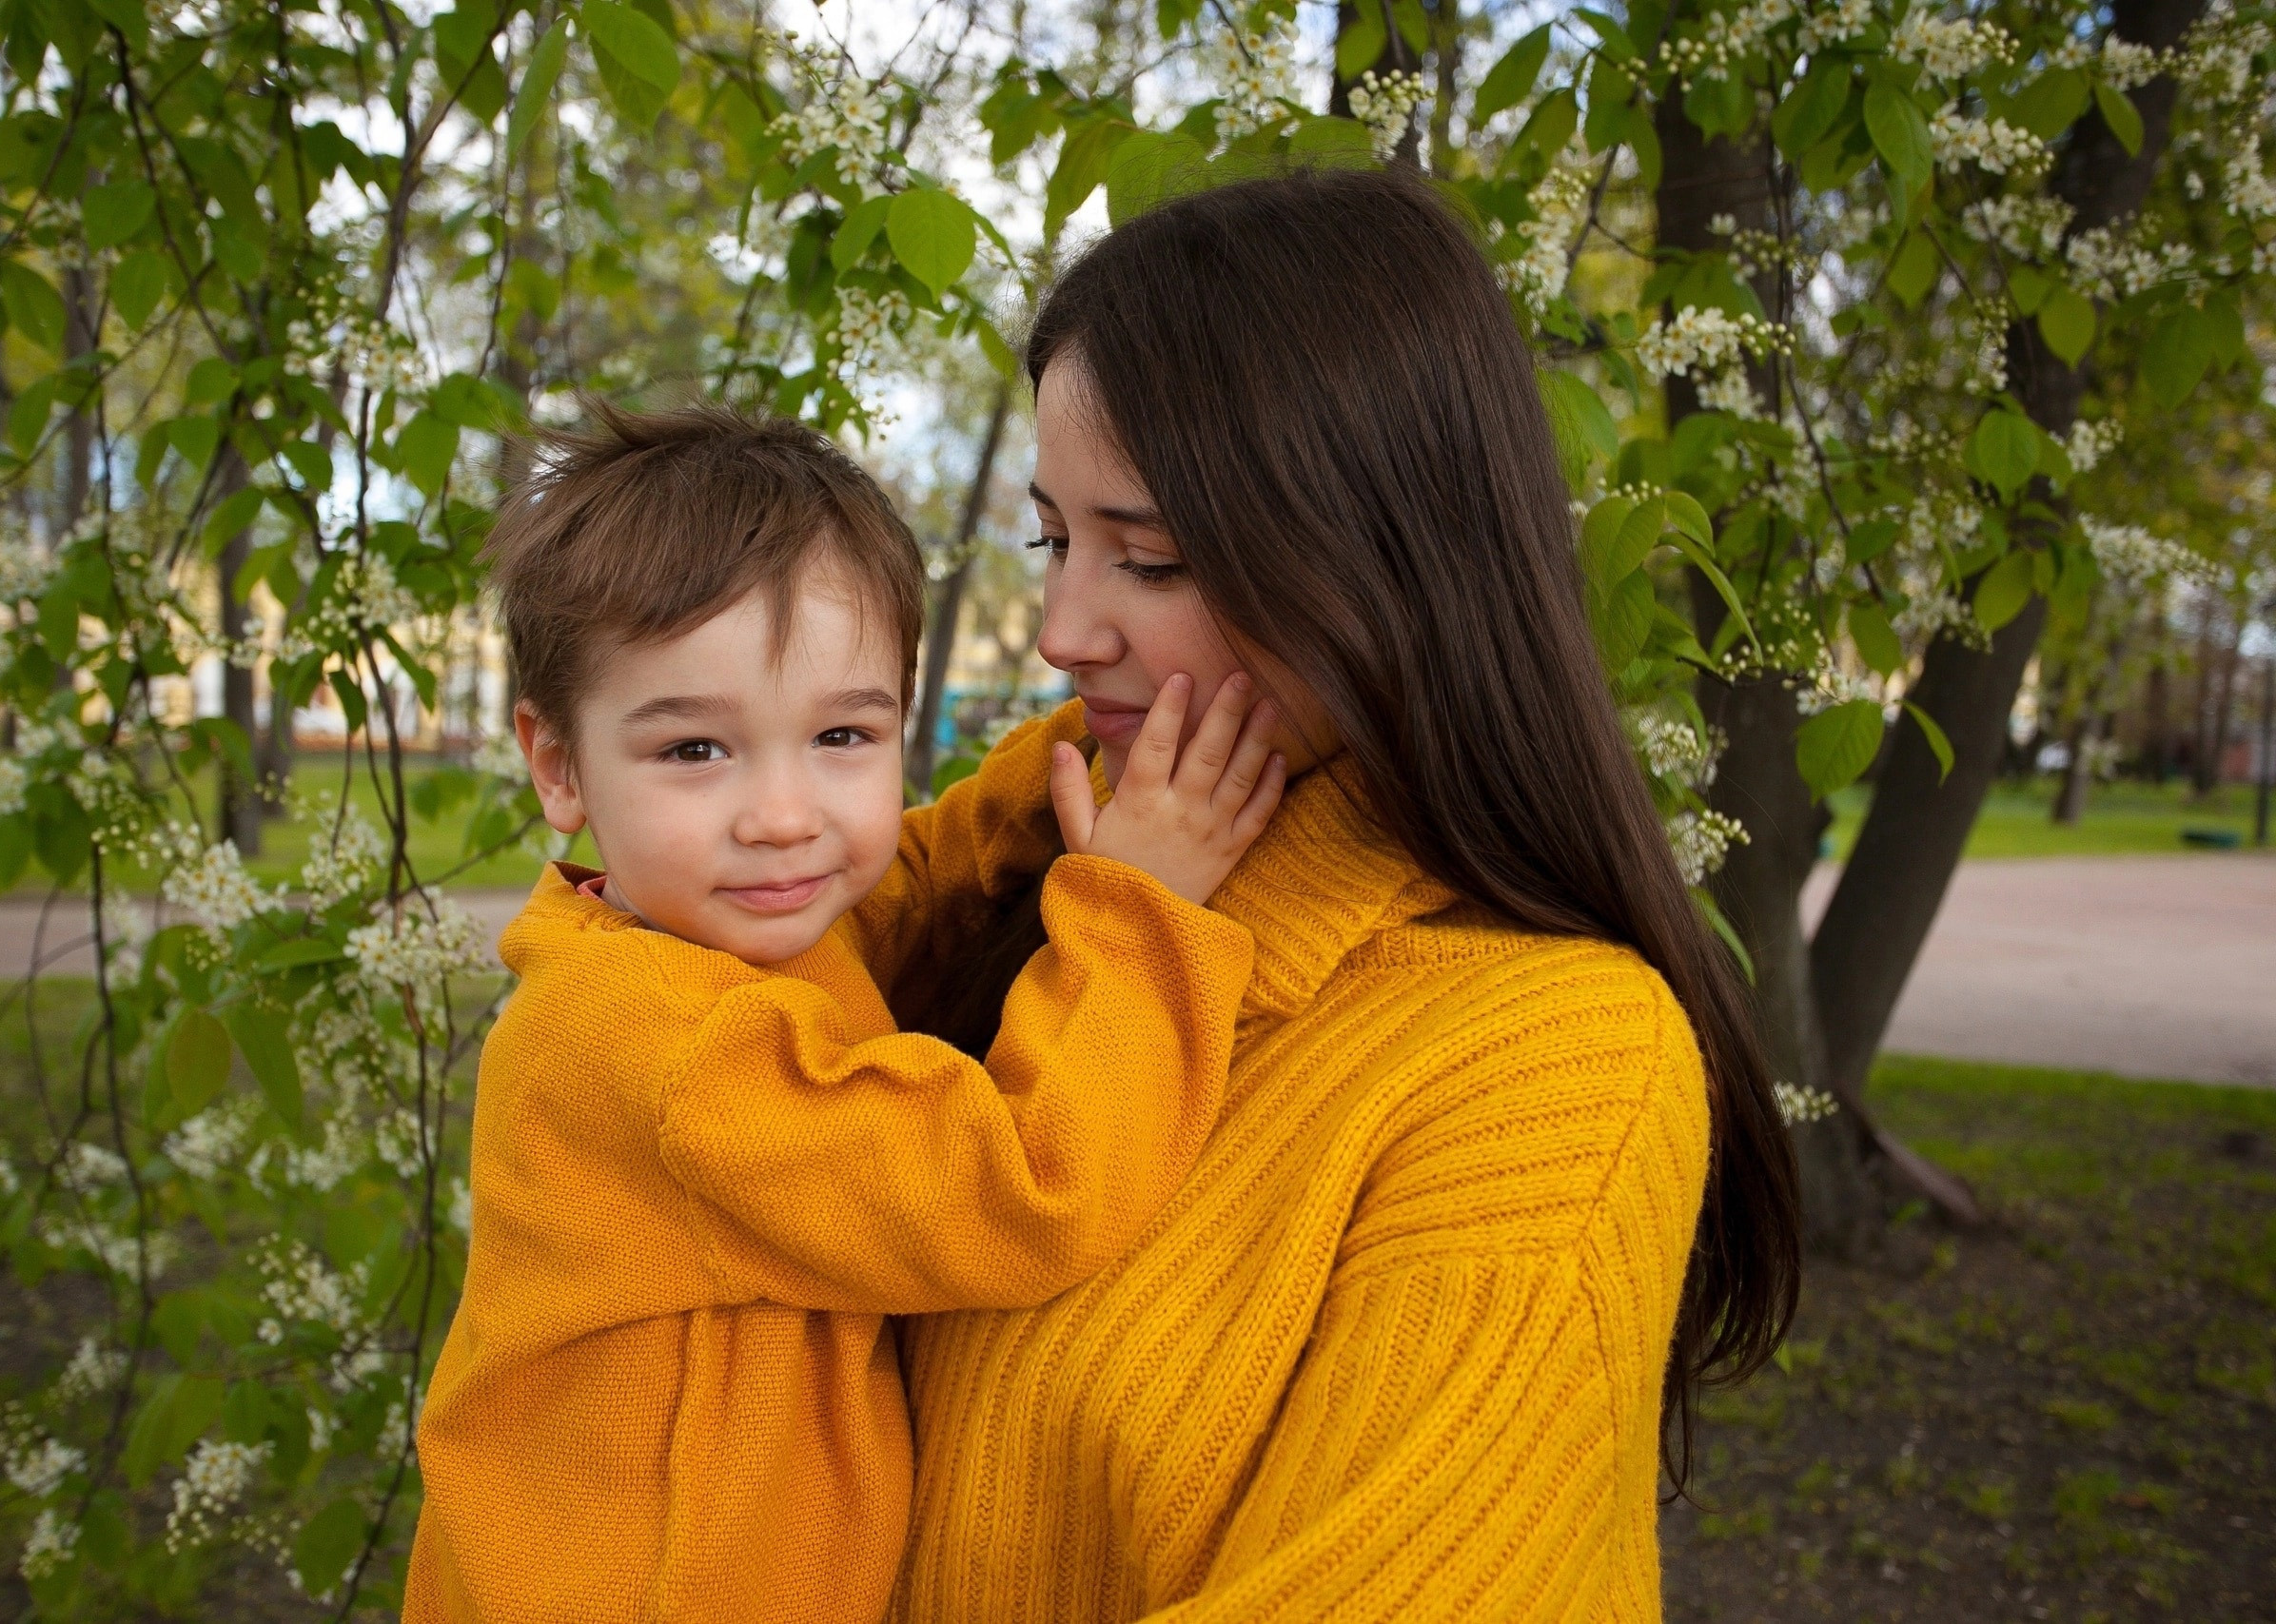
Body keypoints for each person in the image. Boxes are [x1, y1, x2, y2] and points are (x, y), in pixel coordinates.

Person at [872, 167, 1805, 1618]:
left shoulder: (1560, 1066)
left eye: (1154, 556)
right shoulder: (1064, 873)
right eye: (1056, 539)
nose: (1062, 630)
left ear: (1385, 560)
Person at [402, 405, 1287, 1624]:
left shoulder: (701, 936)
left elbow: (908, 890)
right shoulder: (660, 1048)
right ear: (558, 767)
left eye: (839, 736)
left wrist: (1092, 747)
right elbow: (1025, 1188)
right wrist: (1142, 909)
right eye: (697, 751)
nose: (782, 814)